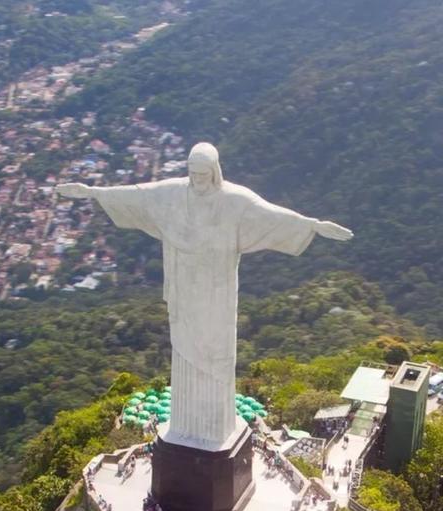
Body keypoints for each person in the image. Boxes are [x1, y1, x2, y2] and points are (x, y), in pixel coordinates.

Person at [57, 143, 352, 449]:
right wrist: (93, 192)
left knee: (215, 353)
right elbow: (137, 194)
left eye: (203, 174)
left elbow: (271, 216)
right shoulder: (172, 194)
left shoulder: (234, 201)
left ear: (215, 172)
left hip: (217, 294)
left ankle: (214, 428)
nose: (197, 180)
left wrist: (312, 226)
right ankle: (186, 427)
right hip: (185, 290)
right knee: (185, 350)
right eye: (193, 173)